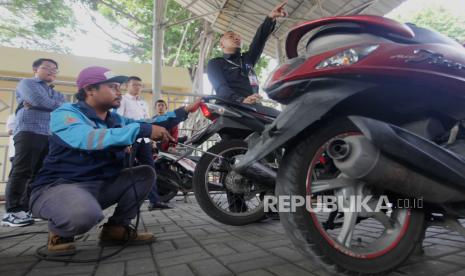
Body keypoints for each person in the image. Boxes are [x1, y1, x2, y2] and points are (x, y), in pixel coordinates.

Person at [29, 66, 178, 256]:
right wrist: (137, 131)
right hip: (60, 186)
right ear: (90, 89)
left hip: (99, 185)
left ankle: (115, 230)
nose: (119, 92)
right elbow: (86, 138)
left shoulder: (114, 118)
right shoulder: (65, 113)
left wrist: (185, 111)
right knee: (84, 215)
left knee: (144, 173)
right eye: (113, 87)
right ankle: (61, 232)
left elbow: (146, 124)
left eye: (119, 87)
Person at [2, 58, 66, 227]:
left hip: (47, 134)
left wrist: (44, 104)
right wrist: (48, 104)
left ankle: (27, 208)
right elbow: (42, 102)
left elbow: (64, 107)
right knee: (22, 170)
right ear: (35, 69)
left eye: (55, 69)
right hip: (29, 131)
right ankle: (12, 212)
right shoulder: (27, 83)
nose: (52, 71)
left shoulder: (54, 91)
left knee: (38, 173)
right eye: (47, 68)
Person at [207, 1, 288, 104]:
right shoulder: (215, 63)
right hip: (231, 108)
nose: (236, 38)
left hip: (254, 106)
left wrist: (270, 18)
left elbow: (259, 40)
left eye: (238, 36)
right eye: (231, 36)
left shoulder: (246, 60)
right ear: (222, 45)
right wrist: (241, 100)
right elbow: (221, 88)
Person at [116, 76, 170, 210]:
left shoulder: (143, 103)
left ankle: (155, 201)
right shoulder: (122, 100)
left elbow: (148, 122)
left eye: (140, 85)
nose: (137, 87)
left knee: (150, 169)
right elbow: (119, 121)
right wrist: (124, 142)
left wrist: (151, 140)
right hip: (130, 140)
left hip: (144, 140)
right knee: (126, 170)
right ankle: (123, 201)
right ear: (127, 86)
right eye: (134, 85)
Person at [147, 98, 201, 210]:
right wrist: (152, 144)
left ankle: (163, 196)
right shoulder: (152, 120)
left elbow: (175, 135)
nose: (160, 107)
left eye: (162, 105)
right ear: (155, 108)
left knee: (166, 170)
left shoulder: (171, 121)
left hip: (167, 150)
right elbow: (148, 133)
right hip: (154, 150)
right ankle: (155, 197)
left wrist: (172, 147)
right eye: (158, 105)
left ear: (166, 108)